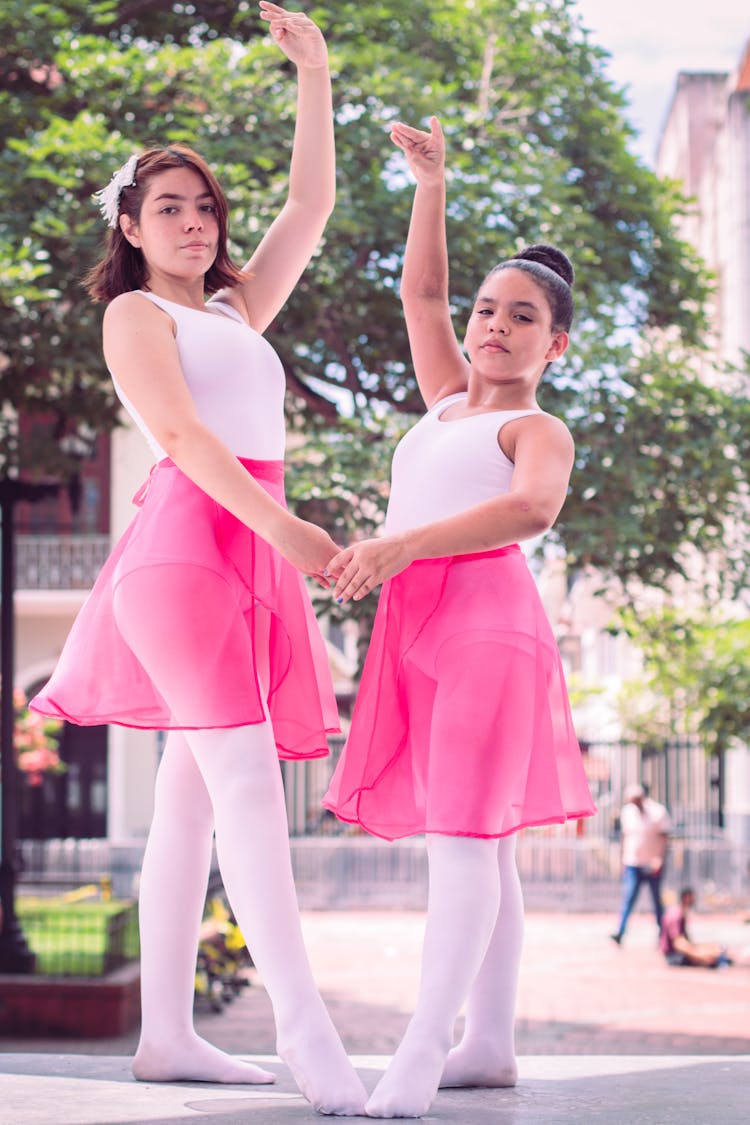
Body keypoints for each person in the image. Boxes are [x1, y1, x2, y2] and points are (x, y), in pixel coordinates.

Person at [30, 4, 367, 1115]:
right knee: (244, 786)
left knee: (189, 798)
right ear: (128, 224)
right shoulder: (135, 315)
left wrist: (313, 72)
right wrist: (293, 536)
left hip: (246, 546)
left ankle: (168, 1035)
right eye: (167, 206)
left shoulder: (236, 309)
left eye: (206, 206)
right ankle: (308, 1031)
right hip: (188, 552)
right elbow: (180, 439)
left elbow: (311, 202)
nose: (195, 220)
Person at [322, 116, 596, 1119]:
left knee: (466, 842)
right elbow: (420, 292)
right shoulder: (445, 404)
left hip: (485, 620)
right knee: (483, 841)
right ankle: (489, 1044)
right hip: (414, 627)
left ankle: (420, 1057)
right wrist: (429, 185)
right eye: (489, 310)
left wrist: (399, 546)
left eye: (522, 318)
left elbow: (531, 509)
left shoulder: (538, 425)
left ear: (553, 344)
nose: (493, 325)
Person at [610, 782, 672, 946]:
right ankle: (620, 931)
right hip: (633, 862)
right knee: (628, 897)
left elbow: (664, 837)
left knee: (656, 901)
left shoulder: (658, 811)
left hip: (652, 863)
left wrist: (659, 858)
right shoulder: (627, 812)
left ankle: (663, 934)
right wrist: (622, 859)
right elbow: (625, 837)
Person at [659, 888, 733, 968]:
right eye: (692, 897)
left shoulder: (679, 912)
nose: (694, 900)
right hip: (674, 957)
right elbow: (678, 943)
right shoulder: (676, 915)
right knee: (713, 958)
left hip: (677, 953)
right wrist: (700, 955)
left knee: (715, 949)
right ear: (686, 897)